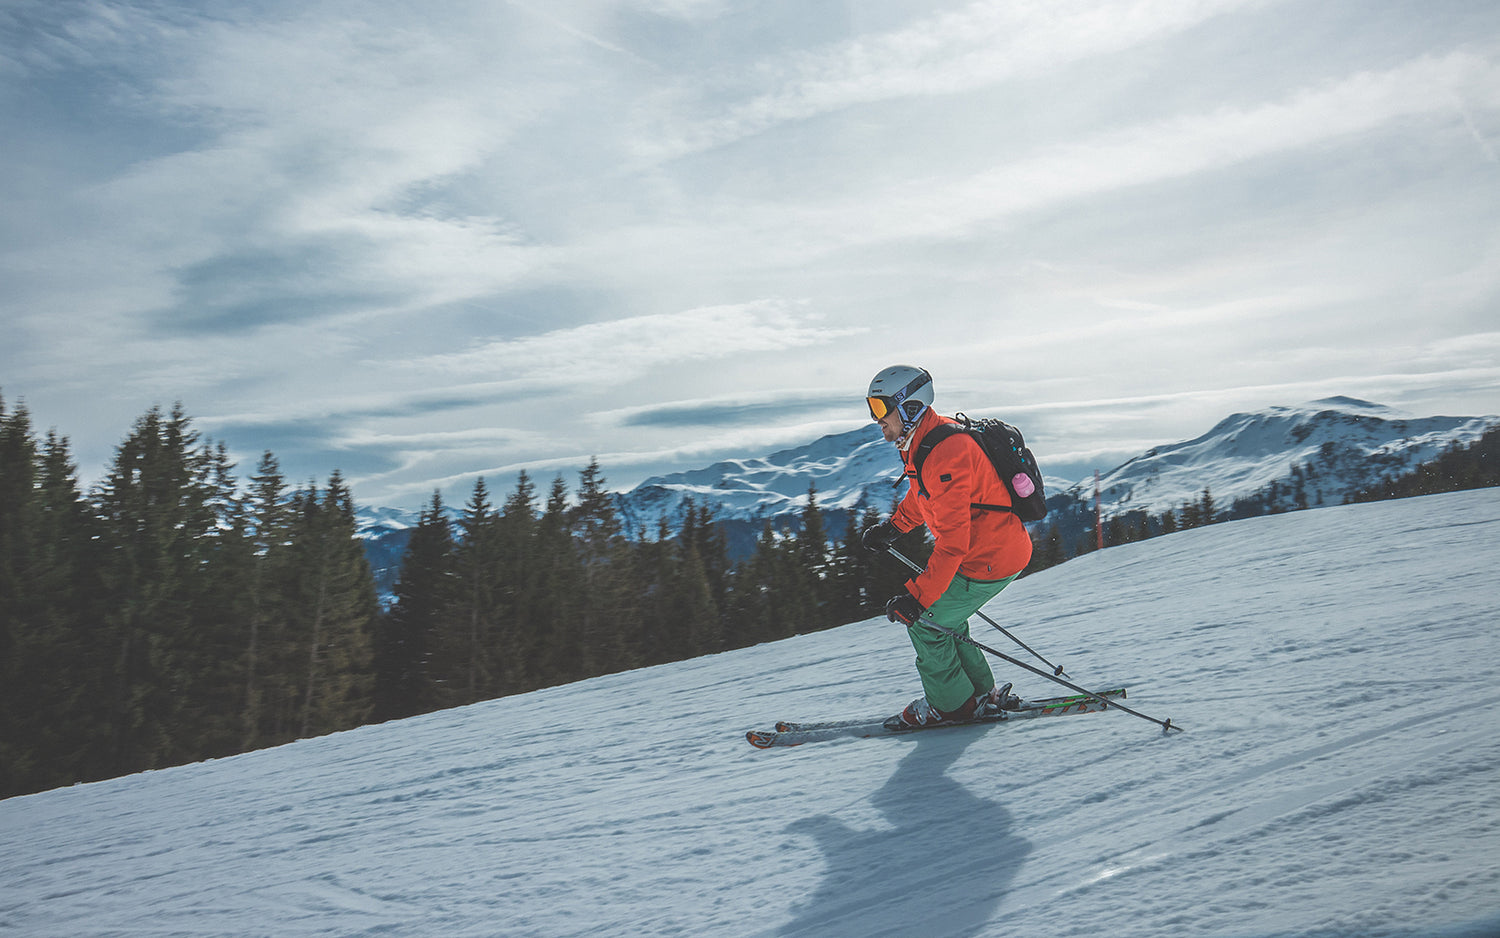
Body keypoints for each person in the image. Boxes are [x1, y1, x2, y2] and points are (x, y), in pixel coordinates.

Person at [861, 365, 1034, 727]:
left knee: (926, 623)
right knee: (947, 621)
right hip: (991, 552)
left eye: (880, 409)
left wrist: (917, 598)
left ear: (908, 406)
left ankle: (952, 706)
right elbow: (922, 497)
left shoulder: (945, 452)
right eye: (871, 408)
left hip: (988, 559)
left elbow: (954, 544)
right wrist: (894, 528)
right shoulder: (923, 442)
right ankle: (980, 694)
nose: (877, 420)